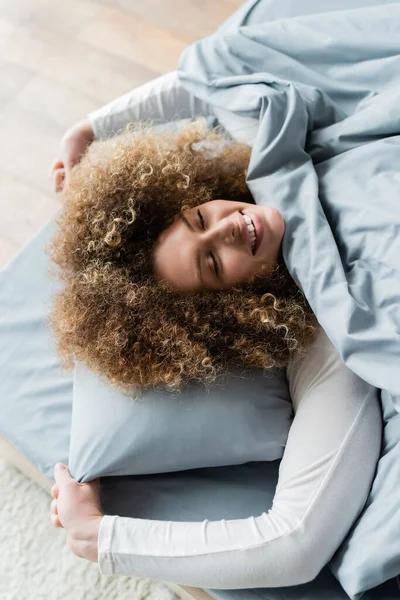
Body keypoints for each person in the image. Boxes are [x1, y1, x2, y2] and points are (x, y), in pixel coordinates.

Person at [48, 73, 381, 590]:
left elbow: (210, 76)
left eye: (200, 216)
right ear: (230, 311)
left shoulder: (265, 162)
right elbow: (293, 541)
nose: (228, 227)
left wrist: (87, 129)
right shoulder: (326, 341)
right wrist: (98, 537)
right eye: (211, 263)